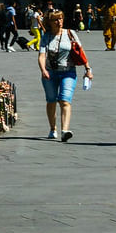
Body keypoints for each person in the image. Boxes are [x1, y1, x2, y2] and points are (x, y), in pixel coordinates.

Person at [37, 9, 91, 141]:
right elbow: (42, 55)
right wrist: (43, 69)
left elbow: (81, 52)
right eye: (56, 19)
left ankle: (65, 131)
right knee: (51, 101)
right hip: (50, 73)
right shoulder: (46, 36)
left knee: (65, 100)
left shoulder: (70, 33)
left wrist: (88, 69)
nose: (59, 21)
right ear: (50, 22)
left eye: (60, 18)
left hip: (68, 72)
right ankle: (52, 128)